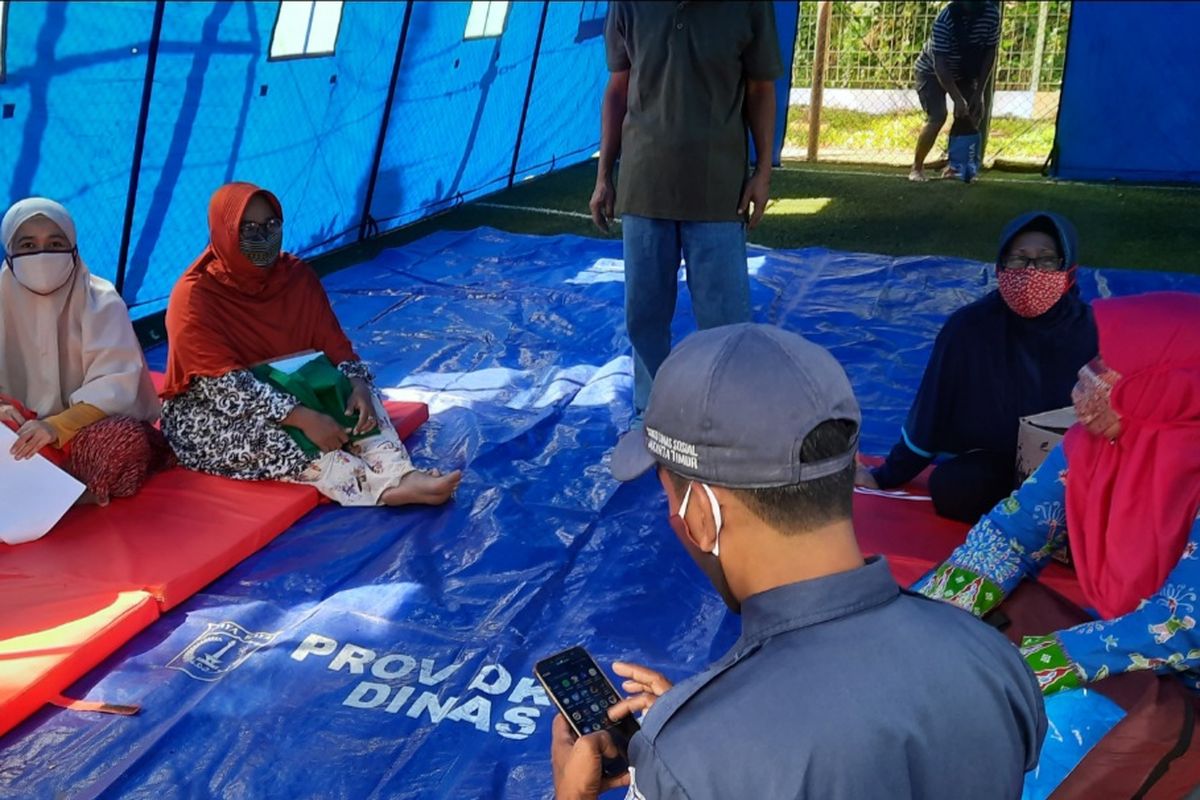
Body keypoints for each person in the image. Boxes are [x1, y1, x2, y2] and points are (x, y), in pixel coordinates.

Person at [550, 324, 1045, 800]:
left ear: (702, 513)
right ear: (848, 469)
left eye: (668, 497)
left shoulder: (690, 763)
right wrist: (709, 723)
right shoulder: (992, 658)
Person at [915, 292, 1200, 697]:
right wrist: (926, 617)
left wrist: (1026, 666)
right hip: (1133, 657)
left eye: (1117, 365)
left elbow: (1185, 626)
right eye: (1099, 356)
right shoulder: (1093, 445)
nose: (1089, 377)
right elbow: (1013, 534)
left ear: (1177, 386)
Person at [161, 182, 460, 507]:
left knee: (360, 401)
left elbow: (335, 346)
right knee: (278, 440)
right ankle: (381, 489)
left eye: (271, 225)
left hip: (294, 387)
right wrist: (301, 416)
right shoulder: (195, 296)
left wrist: (357, 384)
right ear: (224, 230)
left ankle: (400, 473)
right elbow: (225, 389)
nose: (263, 237)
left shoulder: (295, 276)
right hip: (216, 411)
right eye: (248, 228)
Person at [591, 1, 783, 420]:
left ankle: (728, 418)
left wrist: (762, 172)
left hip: (718, 190)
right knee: (644, 316)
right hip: (644, 185)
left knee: (726, 324)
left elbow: (761, 90)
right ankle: (652, 415)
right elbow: (618, 89)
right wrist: (605, 175)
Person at [857, 211, 1097, 524]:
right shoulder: (969, 328)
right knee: (954, 489)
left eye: (1046, 260)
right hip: (999, 463)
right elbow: (932, 413)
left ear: (1069, 271)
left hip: (1071, 462)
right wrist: (885, 475)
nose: (1031, 272)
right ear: (1000, 267)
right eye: (1019, 259)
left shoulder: (1094, 330)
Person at [0, 197, 168, 506]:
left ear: (74, 247)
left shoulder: (101, 300)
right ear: (10, 253)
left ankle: (60, 492)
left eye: (55, 244)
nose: (41, 256)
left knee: (122, 440)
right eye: (27, 245)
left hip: (85, 432)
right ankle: (43, 491)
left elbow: (117, 386)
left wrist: (55, 427)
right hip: (19, 434)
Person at [910, 0, 1001, 182]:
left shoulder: (991, 15)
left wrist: (979, 92)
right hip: (931, 70)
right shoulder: (946, 19)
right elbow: (940, 64)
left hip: (965, 71)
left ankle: (954, 166)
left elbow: (990, 54)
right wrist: (957, 98)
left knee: (972, 113)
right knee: (938, 116)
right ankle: (916, 168)